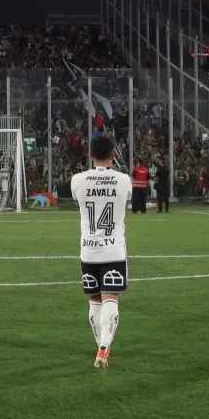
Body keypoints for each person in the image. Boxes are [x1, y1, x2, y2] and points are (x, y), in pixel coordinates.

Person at [71, 135, 132, 369]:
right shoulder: (123, 180)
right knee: (111, 298)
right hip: (114, 249)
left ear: (90, 154)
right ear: (113, 155)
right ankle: (104, 348)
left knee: (94, 301)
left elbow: (77, 198)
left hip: (89, 250)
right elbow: (126, 200)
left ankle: (100, 344)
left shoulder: (78, 180)